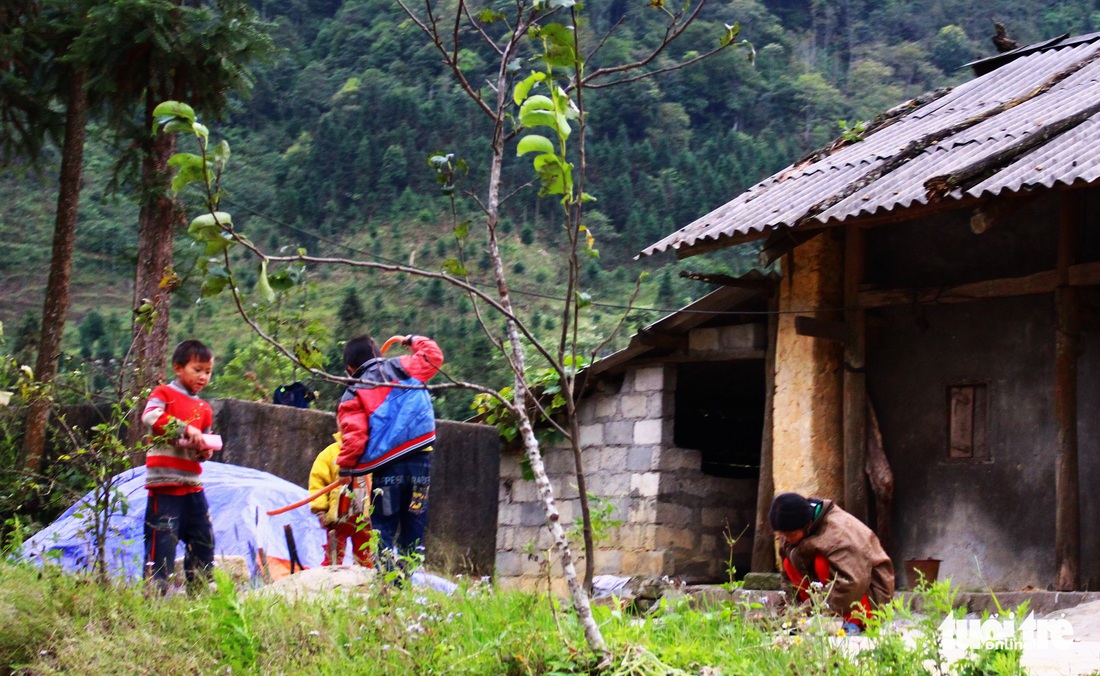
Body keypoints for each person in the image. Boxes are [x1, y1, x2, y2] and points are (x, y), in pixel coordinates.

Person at [336, 333, 443, 568]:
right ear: (379, 354)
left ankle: (386, 584)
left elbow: (355, 435)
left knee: (383, 525)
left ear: (350, 368)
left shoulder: (353, 391)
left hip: (387, 469)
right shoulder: (404, 364)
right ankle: (405, 583)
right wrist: (413, 340)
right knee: (414, 522)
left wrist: (345, 467)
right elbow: (434, 356)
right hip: (420, 463)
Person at [141, 339, 218, 591]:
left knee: (203, 537)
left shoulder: (205, 409)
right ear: (178, 368)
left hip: (192, 485)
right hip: (164, 483)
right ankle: (156, 591)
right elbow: (151, 416)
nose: (203, 377)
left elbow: (202, 444)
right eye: (197, 370)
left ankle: (201, 590)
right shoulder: (163, 393)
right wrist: (184, 428)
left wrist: (203, 451)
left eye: (207, 371)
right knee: (162, 538)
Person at [770, 492, 895, 633]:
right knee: (789, 562)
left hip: (868, 599)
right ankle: (816, 621)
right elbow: (787, 580)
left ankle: (853, 622)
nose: (786, 539)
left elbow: (852, 582)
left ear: (807, 524)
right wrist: (788, 613)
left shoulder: (840, 534)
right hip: (826, 602)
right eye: (782, 535)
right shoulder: (791, 534)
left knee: (821, 562)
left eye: (790, 535)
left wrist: (808, 610)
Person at [308, 431, 373, 567]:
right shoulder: (330, 453)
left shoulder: (372, 452)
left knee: (365, 559)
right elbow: (318, 483)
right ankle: (327, 584)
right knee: (333, 557)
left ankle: (365, 586)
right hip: (338, 516)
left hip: (364, 518)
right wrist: (320, 510)